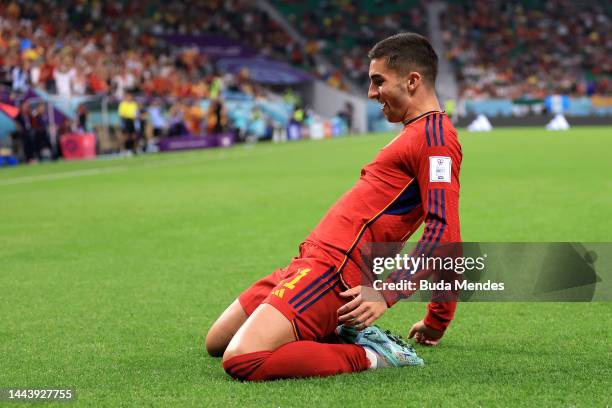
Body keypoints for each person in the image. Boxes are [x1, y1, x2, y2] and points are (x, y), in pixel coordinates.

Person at [206, 33, 462, 381]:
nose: (371, 93)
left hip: (334, 273)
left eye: (378, 82)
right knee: (217, 342)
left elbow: (444, 231)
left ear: (412, 81)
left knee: (242, 360)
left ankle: (370, 354)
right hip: (310, 261)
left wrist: (390, 295)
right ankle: (337, 330)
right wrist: (435, 323)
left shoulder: (436, 139)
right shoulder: (415, 131)